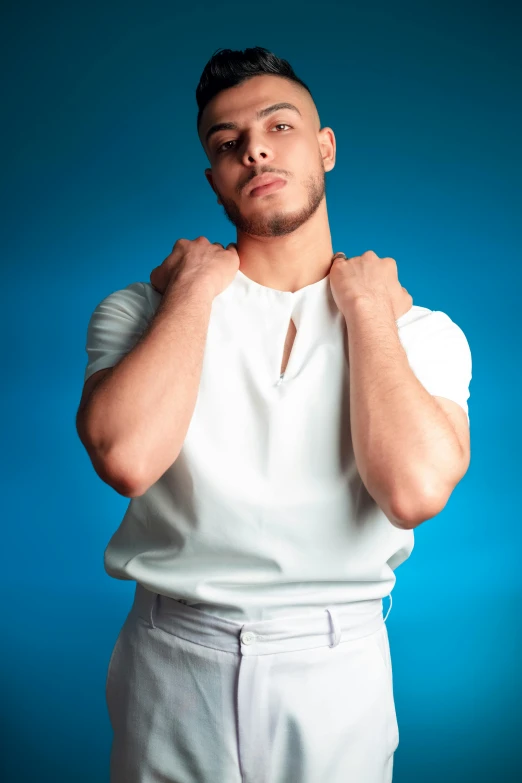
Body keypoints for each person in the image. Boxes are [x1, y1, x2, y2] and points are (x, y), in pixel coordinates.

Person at [76, 46, 472, 783]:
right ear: (214, 179)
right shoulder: (140, 311)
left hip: (336, 665)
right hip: (173, 662)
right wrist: (195, 290)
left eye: (278, 125)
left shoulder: (418, 332)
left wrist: (362, 311)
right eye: (226, 143)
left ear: (324, 147)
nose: (253, 146)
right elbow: (125, 457)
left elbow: (414, 493)